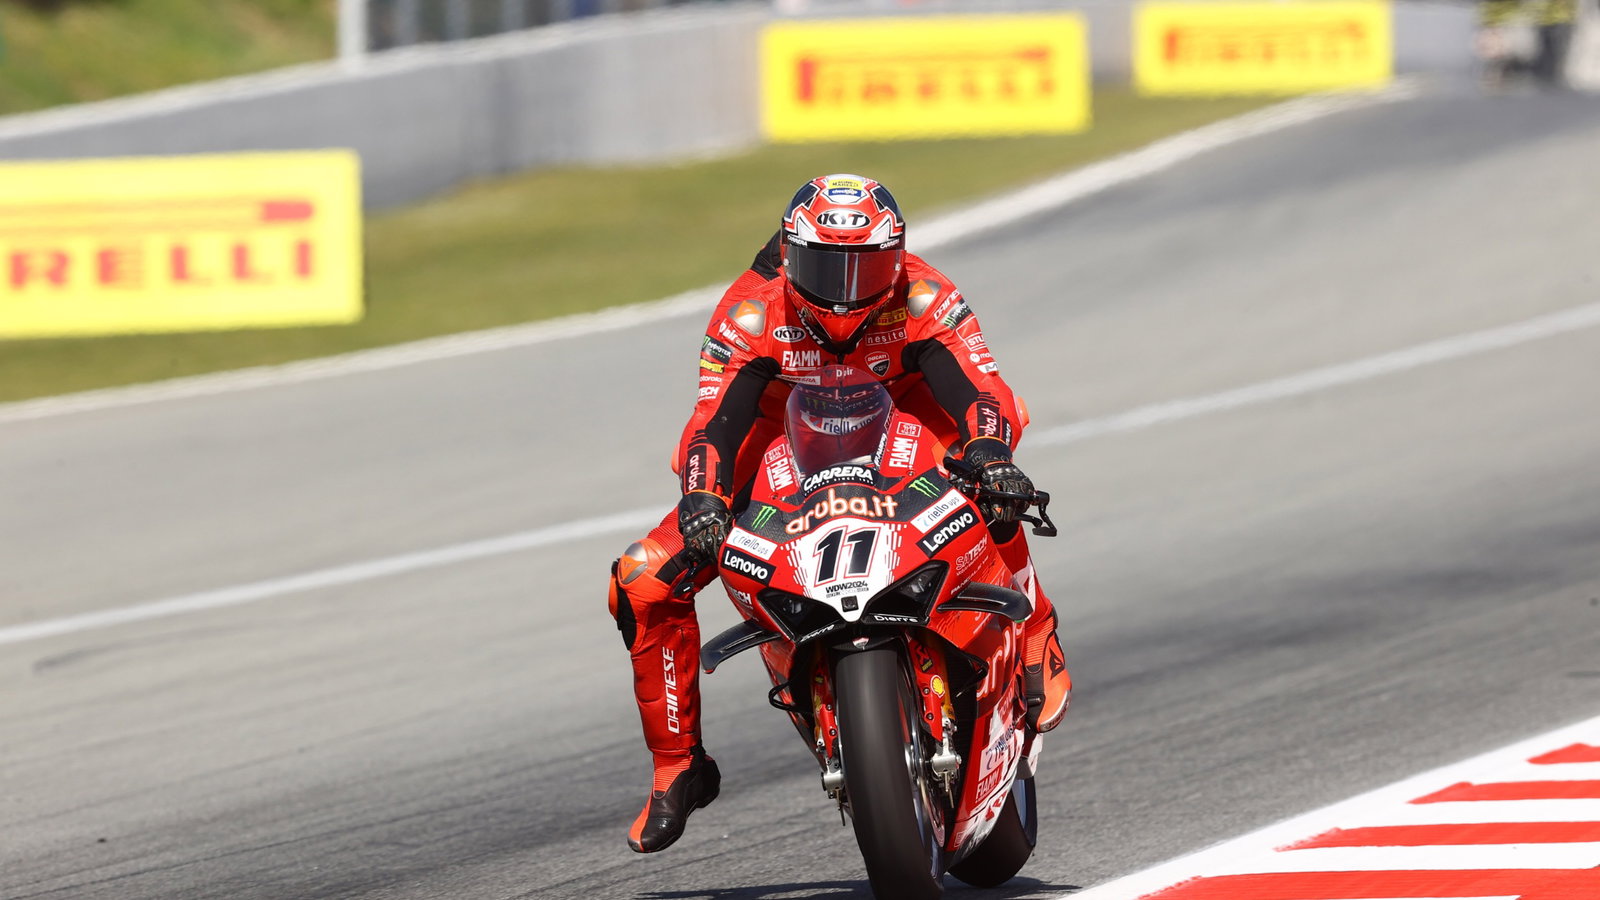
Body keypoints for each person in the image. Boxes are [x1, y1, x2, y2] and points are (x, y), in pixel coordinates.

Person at [606, 174, 1072, 854]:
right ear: (791, 258)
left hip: (906, 424)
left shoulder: (923, 296)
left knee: (994, 470)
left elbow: (983, 389)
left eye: (868, 266)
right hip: (777, 445)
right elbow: (712, 427)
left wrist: (991, 453)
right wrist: (704, 499)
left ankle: (1033, 631)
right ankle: (679, 767)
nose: (846, 289)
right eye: (827, 266)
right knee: (641, 580)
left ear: (899, 255)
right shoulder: (749, 315)